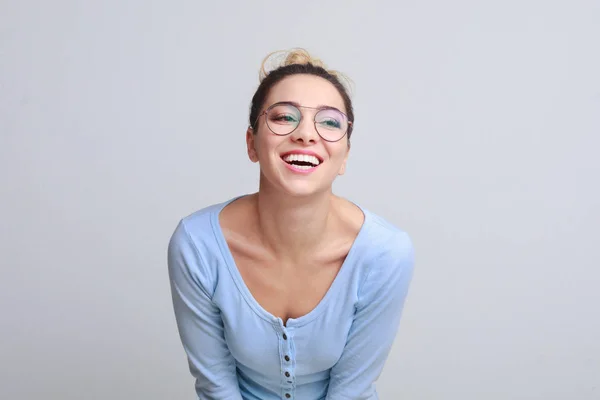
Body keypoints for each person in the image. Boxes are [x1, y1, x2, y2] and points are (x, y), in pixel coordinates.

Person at [167, 48, 415, 400]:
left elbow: (352, 390)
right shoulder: (196, 244)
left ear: (344, 155)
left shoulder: (385, 253)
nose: (306, 134)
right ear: (252, 144)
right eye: (285, 117)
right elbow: (215, 386)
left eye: (330, 122)